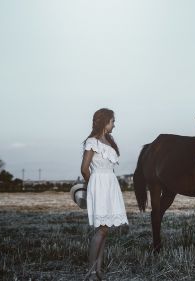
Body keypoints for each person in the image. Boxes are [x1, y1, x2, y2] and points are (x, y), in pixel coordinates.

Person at [81, 108, 128, 281]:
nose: (114, 124)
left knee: (105, 229)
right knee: (101, 230)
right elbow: (84, 169)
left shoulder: (109, 141)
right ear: (105, 121)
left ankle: (99, 270)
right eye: (112, 121)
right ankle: (91, 272)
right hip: (99, 184)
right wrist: (92, 186)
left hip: (110, 184)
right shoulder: (92, 142)